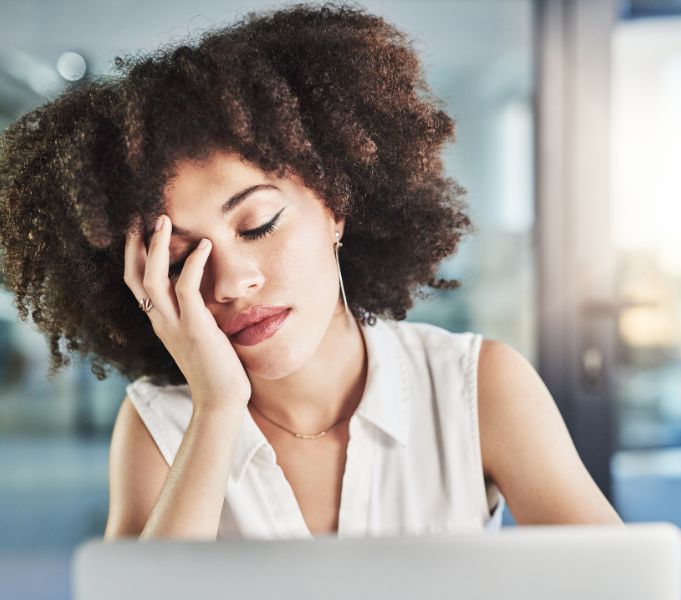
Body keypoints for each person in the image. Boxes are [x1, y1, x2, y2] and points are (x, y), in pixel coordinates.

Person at [0, 2, 621, 540]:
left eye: (258, 224)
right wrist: (217, 408)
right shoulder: (159, 426)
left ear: (335, 209)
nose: (230, 283)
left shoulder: (476, 387)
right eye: (185, 259)